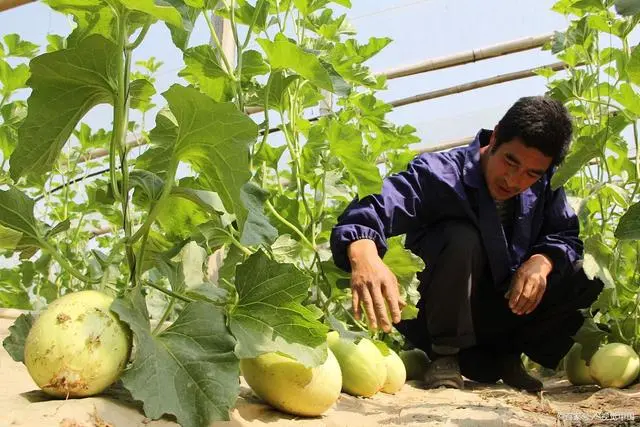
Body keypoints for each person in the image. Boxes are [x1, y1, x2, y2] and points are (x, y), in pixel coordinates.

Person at [329, 96, 604, 392]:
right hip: (439, 314)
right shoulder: (440, 174)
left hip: (498, 316)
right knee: (461, 237)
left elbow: (565, 235)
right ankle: (445, 356)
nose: (513, 180)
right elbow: (376, 205)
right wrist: (364, 253)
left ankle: (506, 358)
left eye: (531, 173)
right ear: (496, 135)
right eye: (510, 161)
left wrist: (543, 261)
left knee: (583, 276)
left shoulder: (546, 183)